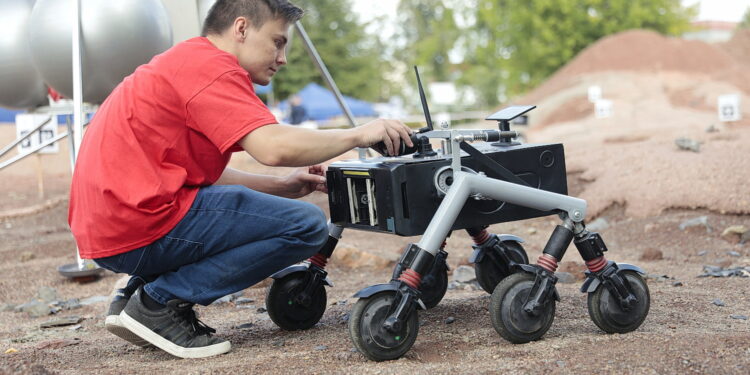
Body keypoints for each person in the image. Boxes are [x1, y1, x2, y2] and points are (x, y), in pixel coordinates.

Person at [68, 0, 413, 359]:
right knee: (307, 226)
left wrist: (282, 186)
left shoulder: (185, 62)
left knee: (284, 216)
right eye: (277, 42)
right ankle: (159, 303)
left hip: (106, 230)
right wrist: (358, 134)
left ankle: (135, 291)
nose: (282, 58)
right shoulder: (214, 69)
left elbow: (201, 178)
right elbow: (272, 148)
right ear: (242, 28)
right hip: (138, 223)